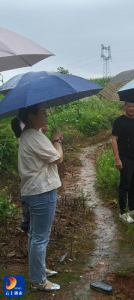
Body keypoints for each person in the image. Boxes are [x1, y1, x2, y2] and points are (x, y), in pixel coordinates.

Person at [15, 103, 63, 291]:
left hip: (33, 190)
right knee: (40, 237)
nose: (45, 114)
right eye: (42, 112)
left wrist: (48, 137)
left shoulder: (29, 134)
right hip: (41, 191)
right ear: (32, 116)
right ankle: (38, 280)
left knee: (35, 235)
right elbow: (58, 158)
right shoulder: (33, 136)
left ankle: (39, 269)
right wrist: (57, 140)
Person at [11, 117, 49, 233]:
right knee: (28, 195)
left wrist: (42, 132)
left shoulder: (27, 123)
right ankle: (27, 223)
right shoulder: (18, 124)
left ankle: (29, 223)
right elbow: (28, 139)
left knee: (28, 195)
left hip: (32, 166)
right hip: (29, 167)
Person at [111, 102, 134, 223]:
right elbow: (114, 140)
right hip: (125, 157)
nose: (131, 108)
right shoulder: (119, 121)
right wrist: (117, 159)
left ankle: (132, 208)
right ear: (125, 106)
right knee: (124, 185)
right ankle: (123, 212)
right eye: (129, 106)